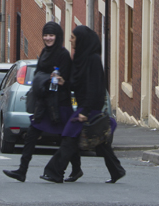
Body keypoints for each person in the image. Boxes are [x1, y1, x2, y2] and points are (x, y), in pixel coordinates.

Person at [41, 25, 125, 184]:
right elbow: (77, 85)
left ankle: (54, 172)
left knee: (68, 136)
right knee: (99, 140)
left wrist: (85, 111)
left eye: (73, 37)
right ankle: (117, 170)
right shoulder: (80, 58)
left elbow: (95, 87)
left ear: (81, 40)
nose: (70, 40)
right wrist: (64, 82)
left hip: (89, 107)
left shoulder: (93, 59)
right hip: (84, 106)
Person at [3, 21, 81, 183]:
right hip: (44, 102)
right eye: (45, 35)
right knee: (31, 135)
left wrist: (61, 80)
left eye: (51, 35)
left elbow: (69, 80)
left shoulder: (63, 54)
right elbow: (38, 72)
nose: (48, 38)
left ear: (57, 36)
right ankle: (22, 170)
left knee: (66, 137)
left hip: (61, 104)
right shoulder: (45, 52)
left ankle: (76, 168)